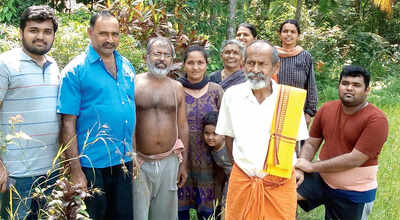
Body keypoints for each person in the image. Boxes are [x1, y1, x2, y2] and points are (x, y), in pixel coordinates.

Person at [216, 40, 309, 220]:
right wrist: (246, 168)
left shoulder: (290, 98)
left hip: (279, 184)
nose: (255, 69)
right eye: (251, 63)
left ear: (275, 68)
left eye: (262, 64)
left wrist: (298, 170)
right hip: (243, 181)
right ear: (243, 66)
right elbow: (229, 139)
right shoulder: (232, 96)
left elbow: (298, 144)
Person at [57, 10, 135, 219]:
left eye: (115, 34)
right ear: (90, 32)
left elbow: (129, 109)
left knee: (123, 215)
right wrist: (75, 170)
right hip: (92, 165)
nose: (110, 39)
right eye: (103, 33)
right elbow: (67, 123)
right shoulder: (76, 70)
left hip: (123, 162)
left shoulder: (126, 65)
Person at [296, 65, 389, 220]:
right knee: (283, 194)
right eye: (345, 83)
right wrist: (300, 167)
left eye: (356, 85)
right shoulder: (327, 109)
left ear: (367, 90)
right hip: (322, 179)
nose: (349, 88)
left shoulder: (377, 120)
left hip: (354, 191)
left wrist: (311, 167)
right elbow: (312, 143)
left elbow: (354, 159)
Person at [0, 5, 60, 219]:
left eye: (47, 31)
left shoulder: (54, 66)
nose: (40, 37)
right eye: (33, 30)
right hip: (16, 173)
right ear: (21, 32)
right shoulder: (5, 64)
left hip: (51, 171)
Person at [133, 37, 189, 220]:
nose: (162, 58)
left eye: (167, 55)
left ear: (172, 61)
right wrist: (131, 155)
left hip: (170, 160)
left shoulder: (177, 88)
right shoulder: (134, 83)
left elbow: (182, 125)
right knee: (137, 213)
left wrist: (183, 163)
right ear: (146, 56)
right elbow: (129, 122)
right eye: (157, 53)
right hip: (139, 162)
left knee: (165, 215)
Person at [177, 45, 224, 220]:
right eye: (190, 63)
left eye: (200, 62)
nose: (195, 67)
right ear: (184, 65)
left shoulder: (216, 90)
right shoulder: (176, 89)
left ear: (206, 64)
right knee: (179, 211)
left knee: (208, 212)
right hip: (182, 160)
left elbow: (226, 125)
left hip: (210, 163)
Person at [275, 19, 318, 126]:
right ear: (279, 34)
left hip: (297, 109)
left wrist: (309, 112)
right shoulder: (271, 55)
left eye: (293, 32)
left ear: (298, 35)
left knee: (295, 142)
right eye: (285, 31)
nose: (288, 34)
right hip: (274, 108)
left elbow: (311, 84)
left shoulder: (305, 56)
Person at [203, 111, 232, 219]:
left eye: (215, 134)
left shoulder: (229, 147)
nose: (210, 137)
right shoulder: (213, 150)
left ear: (224, 134)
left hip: (238, 180)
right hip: (228, 181)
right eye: (207, 133)